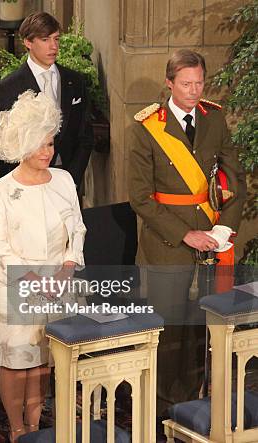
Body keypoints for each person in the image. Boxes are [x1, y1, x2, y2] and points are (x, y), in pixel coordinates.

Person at [128, 49, 246, 418]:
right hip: (167, 247)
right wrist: (185, 235)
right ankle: (162, 410)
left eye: (199, 83)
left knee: (201, 328)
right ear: (169, 83)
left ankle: (195, 404)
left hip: (212, 241)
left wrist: (225, 226)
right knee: (169, 331)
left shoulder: (215, 120)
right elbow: (141, 199)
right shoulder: (147, 128)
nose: (194, 91)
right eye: (186, 84)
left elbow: (234, 179)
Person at [0, 91, 86, 442]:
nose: (48, 152)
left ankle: (35, 425)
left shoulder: (64, 180)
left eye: (51, 143)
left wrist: (69, 265)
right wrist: (31, 280)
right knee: (17, 359)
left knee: (44, 358)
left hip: (59, 282)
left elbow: (78, 228)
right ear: (21, 145)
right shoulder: (0, 190)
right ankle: (16, 428)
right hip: (17, 284)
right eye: (41, 145)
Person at [0, 12, 94, 188]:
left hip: (69, 177)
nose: (53, 46)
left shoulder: (75, 80)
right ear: (28, 42)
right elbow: (6, 141)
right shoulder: (9, 87)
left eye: (56, 39)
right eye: (45, 39)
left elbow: (85, 135)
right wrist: (24, 182)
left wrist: (72, 178)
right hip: (27, 182)